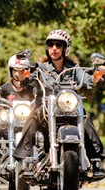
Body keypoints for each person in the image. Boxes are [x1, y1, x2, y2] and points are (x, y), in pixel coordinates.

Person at [13, 29, 105, 177]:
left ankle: (96, 160)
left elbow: (89, 80)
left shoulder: (74, 68)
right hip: (45, 108)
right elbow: (26, 79)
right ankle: (25, 160)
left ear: (65, 48)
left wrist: (97, 75)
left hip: (69, 109)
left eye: (58, 45)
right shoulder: (41, 68)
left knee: (86, 119)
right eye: (51, 45)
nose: (54, 48)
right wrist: (23, 72)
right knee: (31, 119)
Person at [0, 53, 36, 142]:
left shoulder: (31, 88)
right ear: (11, 71)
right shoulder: (6, 87)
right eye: (15, 70)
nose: (18, 73)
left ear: (26, 72)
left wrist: (40, 98)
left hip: (27, 120)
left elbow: (37, 95)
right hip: (9, 120)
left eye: (22, 70)